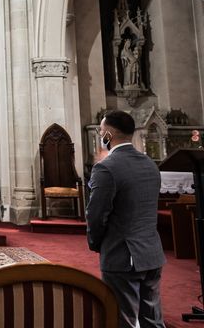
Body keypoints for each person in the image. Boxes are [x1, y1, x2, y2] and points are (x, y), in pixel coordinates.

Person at [86, 110, 165, 328]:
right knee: (153, 320)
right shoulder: (150, 164)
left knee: (124, 320)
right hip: (151, 253)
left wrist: (96, 243)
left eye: (102, 131)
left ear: (109, 134)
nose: (101, 136)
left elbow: (96, 214)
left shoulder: (106, 167)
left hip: (123, 255)